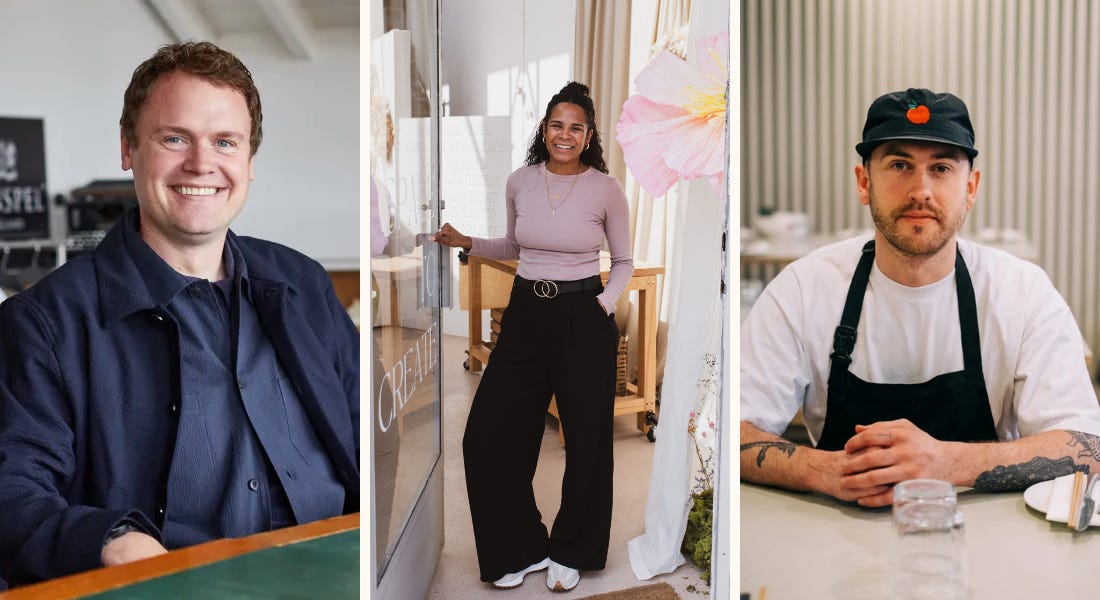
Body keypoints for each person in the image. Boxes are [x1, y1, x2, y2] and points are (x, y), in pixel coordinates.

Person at [0, 42, 359, 588]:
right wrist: (109, 541)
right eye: (174, 138)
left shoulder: (302, 282)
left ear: (249, 161)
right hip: (173, 590)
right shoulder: (43, 323)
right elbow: (13, 493)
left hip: (335, 568)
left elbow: (364, 429)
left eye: (224, 142)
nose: (201, 164)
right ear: (128, 148)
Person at [740, 88, 1100, 507]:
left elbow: (1085, 446)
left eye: (941, 167)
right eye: (899, 164)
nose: (920, 190)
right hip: (836, 532)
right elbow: (734, 427)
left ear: (971, 188)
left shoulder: (1023, 291)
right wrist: (822, 469)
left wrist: (946, 462)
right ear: (864, 182)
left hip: (990, 538)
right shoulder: (804, 287)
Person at [432, 81, 633, 592]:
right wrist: (467, 242)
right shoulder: (521, 181)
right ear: (544, 130)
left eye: (576, 128)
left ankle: (572, 549)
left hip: (583, 315)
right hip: (525, 312)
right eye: (557, 125)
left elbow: (625, 261)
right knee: (486, 436)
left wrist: (601, 307)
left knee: (587, 440)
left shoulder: (607, 190)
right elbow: (514, 243)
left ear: (588, 137)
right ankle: (517, 548)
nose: (565, 135)